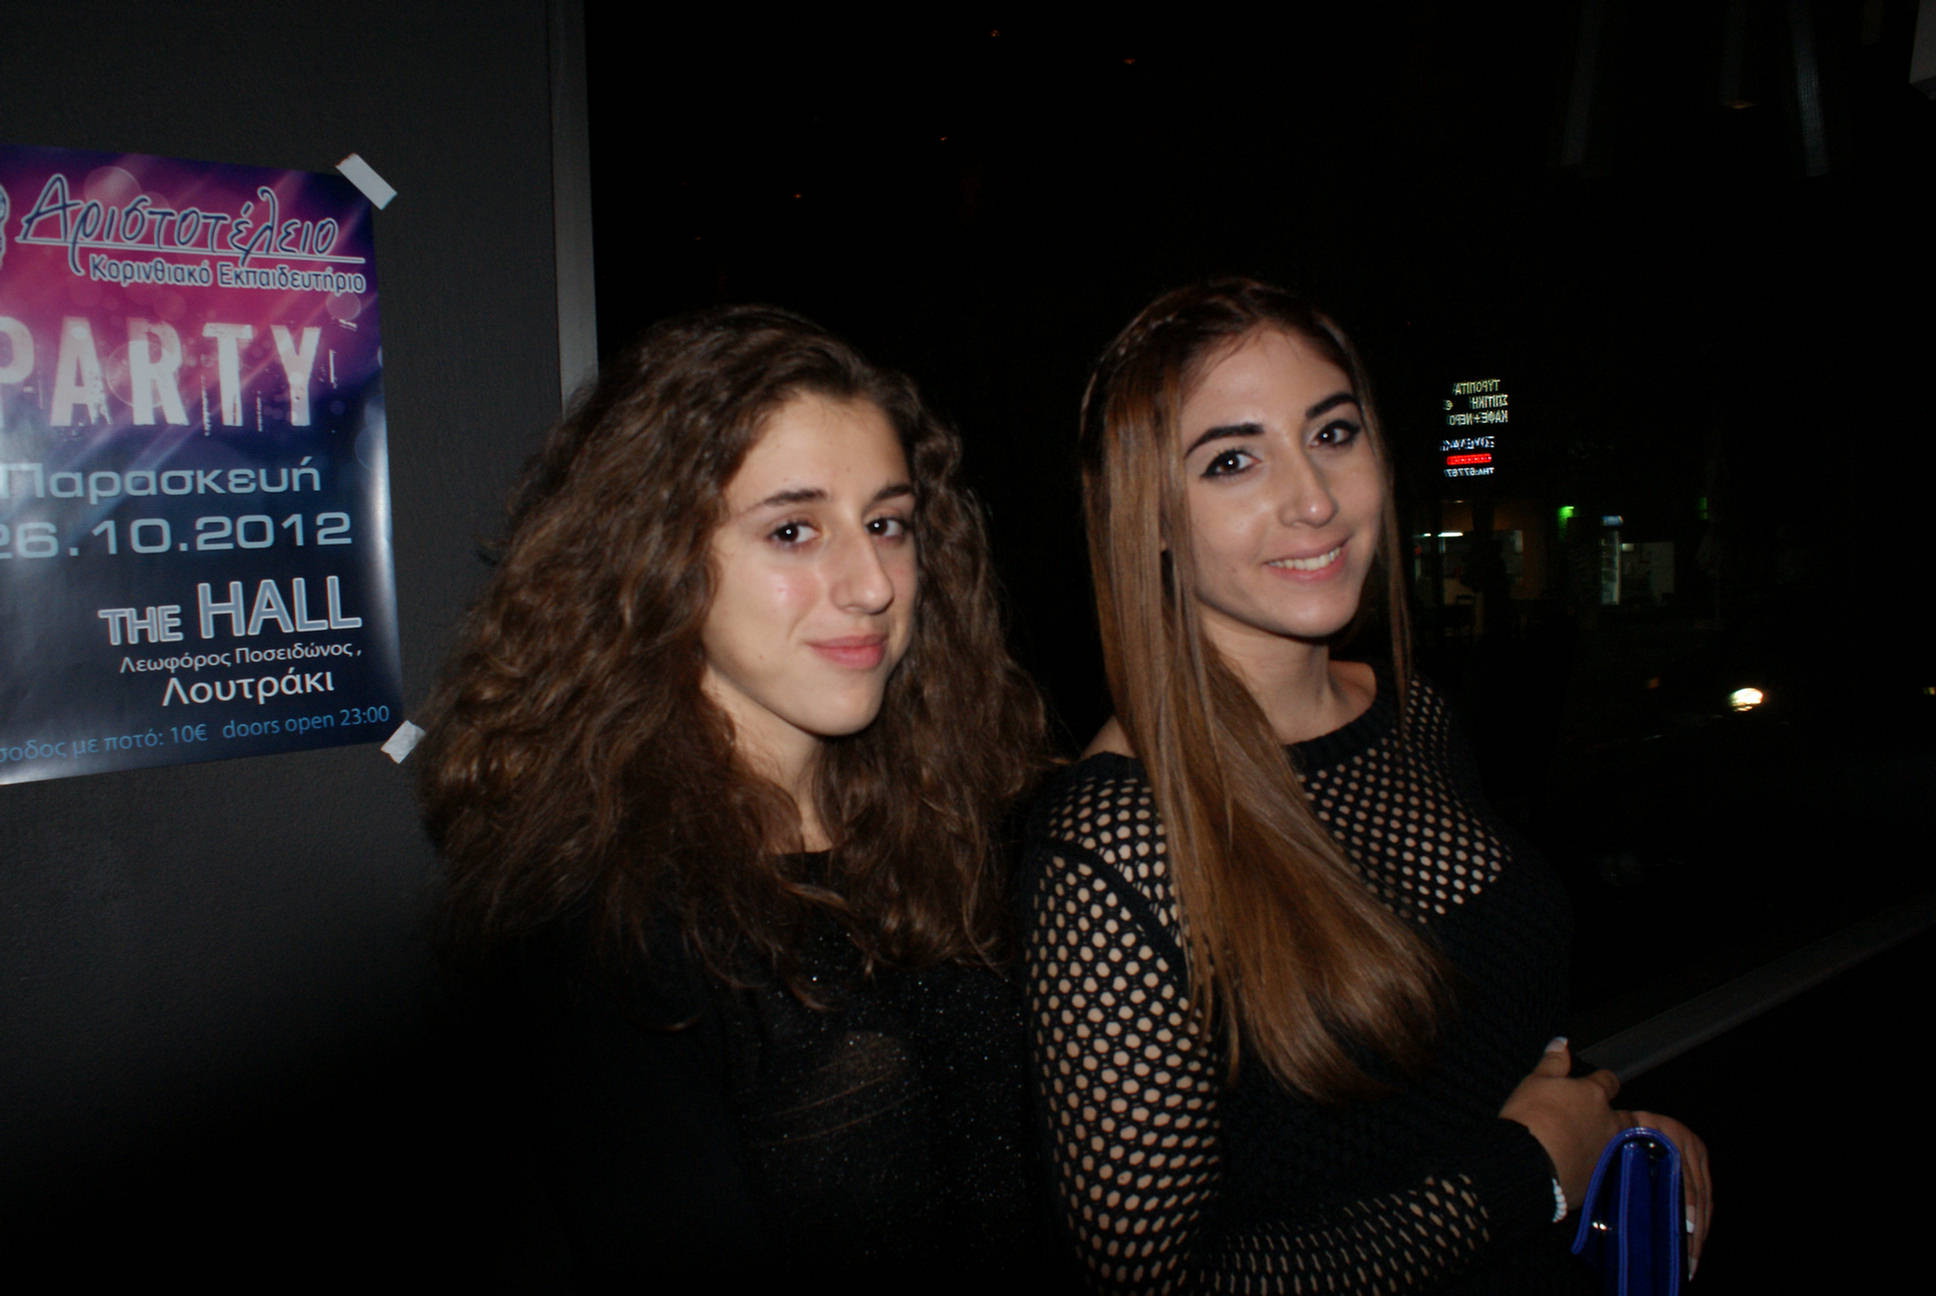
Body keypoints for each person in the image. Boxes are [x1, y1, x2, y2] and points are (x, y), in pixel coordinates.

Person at [1020, 278, 1711, 1292]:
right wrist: (1523, 1177)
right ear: (1148, 517)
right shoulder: (1112, 844)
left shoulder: (1412, 714)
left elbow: (1486, 1033)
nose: (1313, 498)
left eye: (1332, 433)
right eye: (1232, 460)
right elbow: (1158, 1281)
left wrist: (1608, 1131)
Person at [417, 305, 1047, 1284]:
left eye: (887, 524)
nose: (872, 584)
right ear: (658, 556)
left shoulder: (944, 827)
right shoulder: (607, 924)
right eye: (793, 531)